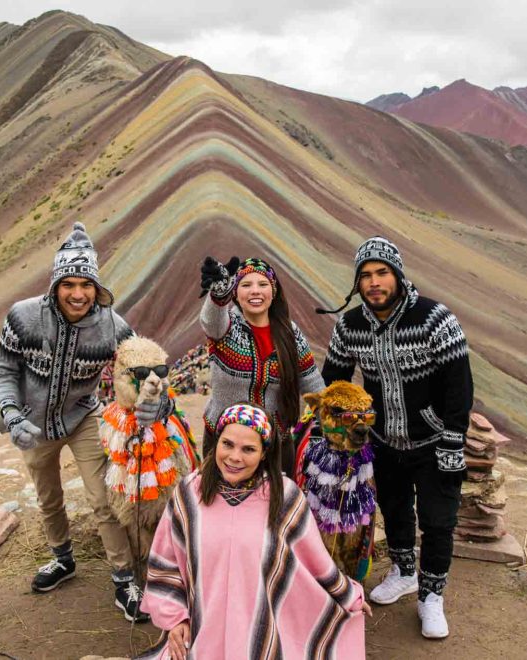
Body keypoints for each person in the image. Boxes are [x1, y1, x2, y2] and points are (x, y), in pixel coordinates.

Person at [0, 222, 169, 621]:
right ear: (55, 285)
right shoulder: (21, 317)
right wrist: (11, 413)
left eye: (85, 284)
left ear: (96, 287)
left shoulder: (114, 327)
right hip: (31, 424)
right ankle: (62, 559)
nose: (78, 293)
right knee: (48, 497)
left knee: (103, 498)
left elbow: (144, 369)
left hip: (84, 416)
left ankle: (124, 580)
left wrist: (157, 404)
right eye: (68, 283)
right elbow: (3, 371)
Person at [319, 236, 473, 639]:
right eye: (366, 275)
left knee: (439, 521)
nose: (374, 282)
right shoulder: (349, 326)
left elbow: (460, 385)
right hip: (382, 440)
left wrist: (454, 438)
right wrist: (340, 428)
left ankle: (431, 596)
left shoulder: (435, 319)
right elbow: (334, 380)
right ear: (357, 283)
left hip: (435, 440)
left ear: (398, 276)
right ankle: (404, 571)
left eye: (382, 273)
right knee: (395, 509)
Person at [139, 403, 370, 659]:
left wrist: (349, 596)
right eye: (227, 444)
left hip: (263, 637)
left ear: (263, 454)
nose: (235, 457)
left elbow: (316, 563)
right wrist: (175, 620)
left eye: (248, 449)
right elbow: (166, 563)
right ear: (216, 443)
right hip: (201, 633)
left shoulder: (284, 497)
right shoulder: (189, 495)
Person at [199, 256, 324, 476]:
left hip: (275, 443)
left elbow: (312, 382)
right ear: (235, 293)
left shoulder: (290, 333)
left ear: (273, 291)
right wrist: (218, 294)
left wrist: (334, 424)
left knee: (275, 506)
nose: (255, 291)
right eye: (246, 285)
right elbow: (210, 321)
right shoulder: (226, 328)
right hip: (225, 442)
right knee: (220, 505)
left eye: (263, 284)